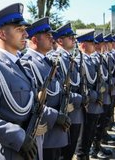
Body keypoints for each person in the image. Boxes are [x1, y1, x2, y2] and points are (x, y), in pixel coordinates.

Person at [0, 3, 57, 160]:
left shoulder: (21, 65)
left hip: (31, 146)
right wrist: (18, 137)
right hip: (7, 151)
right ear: (2, 34)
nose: (25, 34)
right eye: (19, 30)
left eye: (24, 30)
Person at [21, 17, 71, 160]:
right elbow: (33, 100)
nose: (52, 38)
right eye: (47, 35)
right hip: (46, 129)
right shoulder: (28, 63)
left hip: (57, 127)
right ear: (35, 40)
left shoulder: (47, 61)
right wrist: (55, 116)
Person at [49, 23, 84, 160]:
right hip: (66, 109)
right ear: (60, 41)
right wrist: (79, 98)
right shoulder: (57, 59)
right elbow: (61, 87)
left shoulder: (69, 58)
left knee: (71, 147)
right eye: (70, 37)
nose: (74, 40)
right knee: (64, 152)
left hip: (74, 108)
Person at [75, 31, 104, 160]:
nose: (94, 46)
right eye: (91, 43)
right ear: (83, 45)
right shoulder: (79, 61)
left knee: (90, 134)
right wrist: (94, 95)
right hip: (87, 104)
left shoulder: (90, 60)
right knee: (84, 137)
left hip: (94, 103)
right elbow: (82, 85)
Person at [90, 33, 113, 159]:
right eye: (101, 43)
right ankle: (95, 148)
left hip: (104, 94)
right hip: (97, 97)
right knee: (96, 124)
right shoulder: (93, 58)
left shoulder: (101, 57)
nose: (104, 45)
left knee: (103, 120)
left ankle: (98, 145)